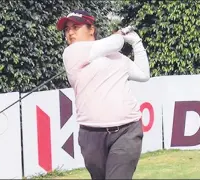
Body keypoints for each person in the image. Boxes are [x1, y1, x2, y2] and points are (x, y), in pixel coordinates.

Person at [56, 10, 150, 179]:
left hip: (127, 131)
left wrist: (137, 43)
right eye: (66, 29)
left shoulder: (117, 57)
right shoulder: (71, 53)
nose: (70, 33)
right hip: (91, 135)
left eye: (75, 27)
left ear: (91, 29)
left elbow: (143, 74)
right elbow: (115, 43)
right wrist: (121, 34)